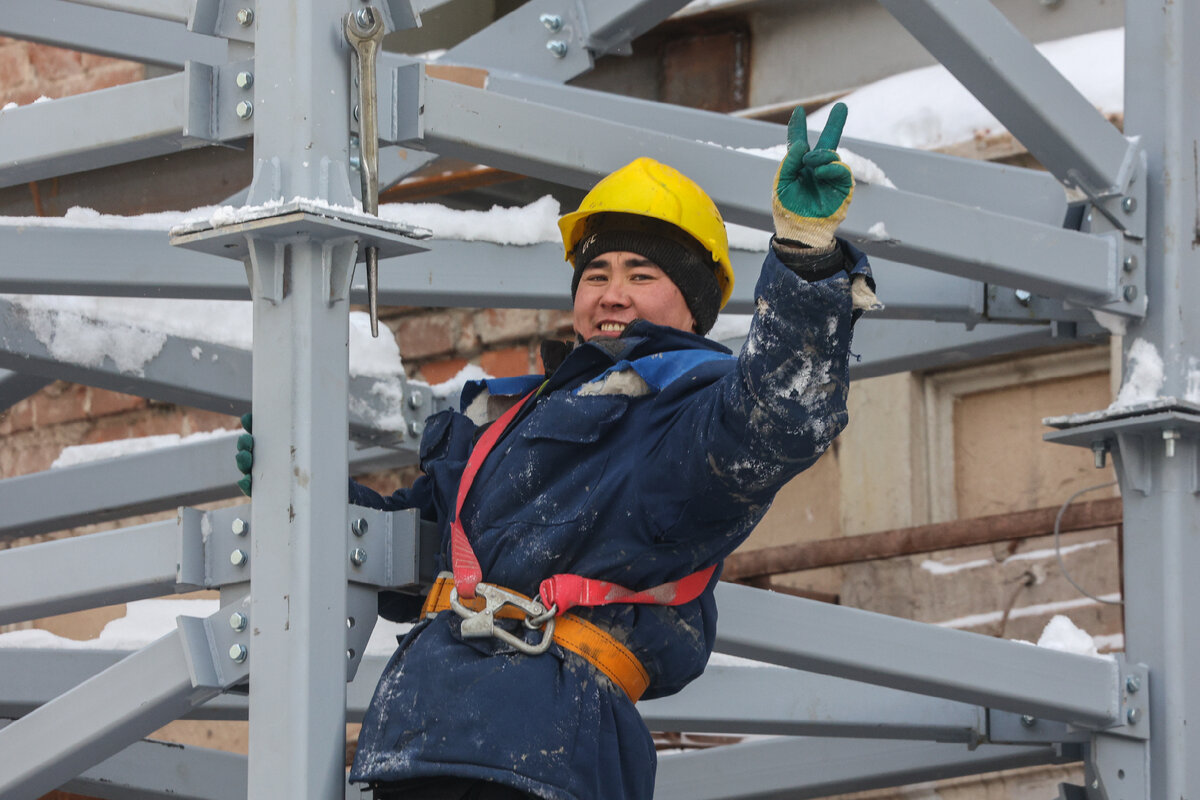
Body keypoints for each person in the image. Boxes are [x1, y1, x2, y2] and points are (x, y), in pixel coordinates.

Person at [238, 104, 876, 800]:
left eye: (641, 274)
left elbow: (778, 417)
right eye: (596, 273)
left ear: (693, 305)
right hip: (424, 738)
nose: (612, 294)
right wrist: (295, 490)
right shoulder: (503, 420)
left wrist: (807, 265)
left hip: (548, 753)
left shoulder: (687, 416)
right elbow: (408, 550)